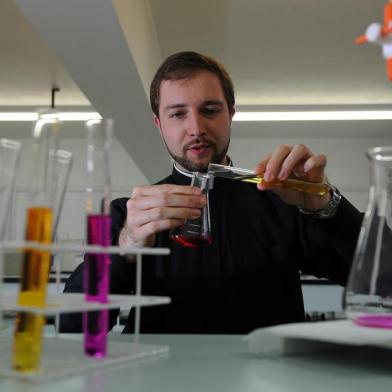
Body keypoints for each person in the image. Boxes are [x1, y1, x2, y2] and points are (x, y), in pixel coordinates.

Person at [60, 51, 363, 334]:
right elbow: (73, 325)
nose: (196, 128)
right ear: (159, 124)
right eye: (177, 114)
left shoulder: (283, 202)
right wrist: (123, 247)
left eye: (209, 110)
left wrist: (327, 207)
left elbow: (382, 281)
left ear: (230, 113)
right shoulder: (128, 215)